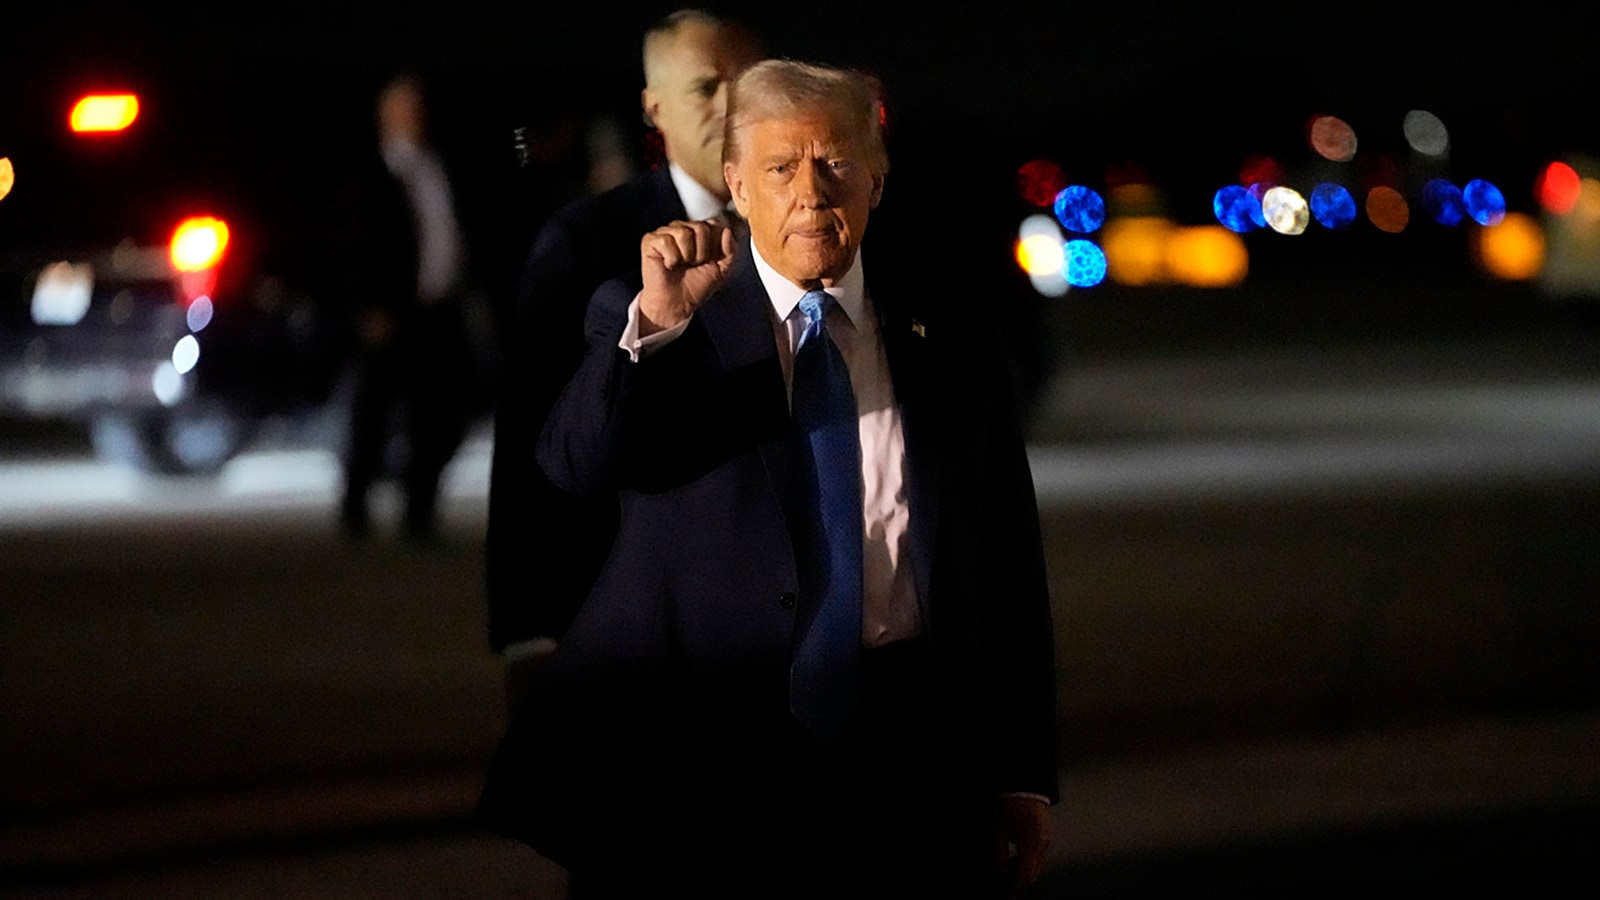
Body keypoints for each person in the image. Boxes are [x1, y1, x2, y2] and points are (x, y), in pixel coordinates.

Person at [477, 59, 1058, 896]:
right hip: (706, 752)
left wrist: (1022, 770)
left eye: (836, 163)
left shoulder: (954, 337)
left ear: (878, 180)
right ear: (736, 186)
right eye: (782, 169)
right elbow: (571, 467)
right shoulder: (667, 317)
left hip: (910, 744)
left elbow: (1007, 561)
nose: (812, 193)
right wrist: (653, 329)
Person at [486, 10, 762, 692]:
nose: (730, 104)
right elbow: (532, 437)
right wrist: (530, 628)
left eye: (748, 83)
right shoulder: (587, 242)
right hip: (624, 628)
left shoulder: (809, 231)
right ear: (654, 108)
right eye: (705, 87)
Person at [336, 74, 479, 540]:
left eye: (417, 109)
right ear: (385, 118)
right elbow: (352, 248)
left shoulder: (444, 167)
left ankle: (420, 510)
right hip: (390, 315)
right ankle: (355, 510)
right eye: (403, 110)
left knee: (441, 413)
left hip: (442, 309)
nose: (413, 119)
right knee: (372, 414)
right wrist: (367, 309)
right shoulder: (370, 176)